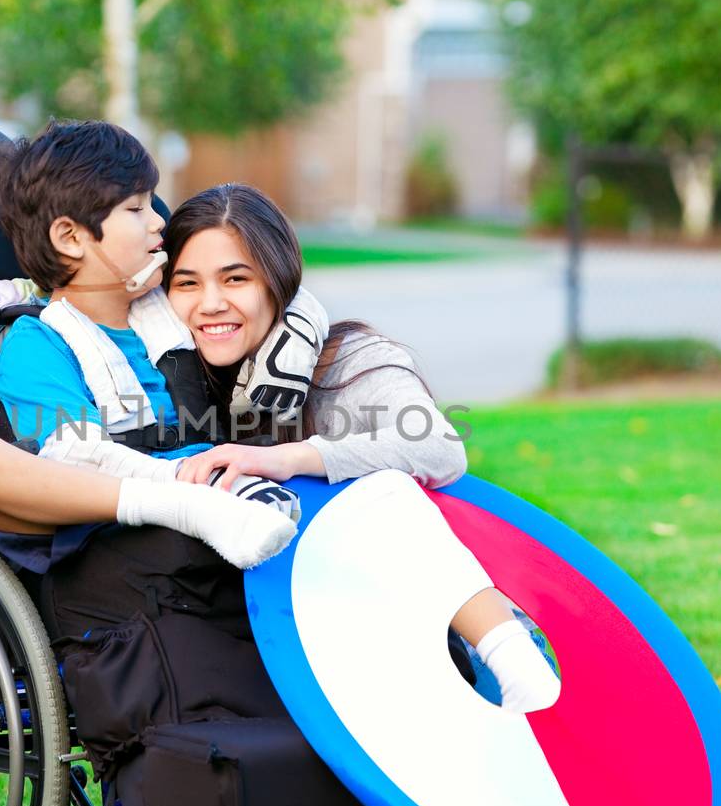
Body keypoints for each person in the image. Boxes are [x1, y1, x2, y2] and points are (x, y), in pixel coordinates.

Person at [160, 184, 560, 713]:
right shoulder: (172, 381)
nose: (211, 303)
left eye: (236, 278)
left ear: (279, 282)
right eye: (186, 284)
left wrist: (289, 458)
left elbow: (441, 448)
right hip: (297, 649)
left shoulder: (349, 357)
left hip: (444, 648)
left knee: (382, 487)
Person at [0, 121, 298, 573]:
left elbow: (273, 299)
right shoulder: (40, 344)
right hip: (117, 531)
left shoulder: (170, 311)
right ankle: (184, 501)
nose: (159, 220)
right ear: (70, 238)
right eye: (135, 208)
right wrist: (179, 483)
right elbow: (77, 455)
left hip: (218, 478)